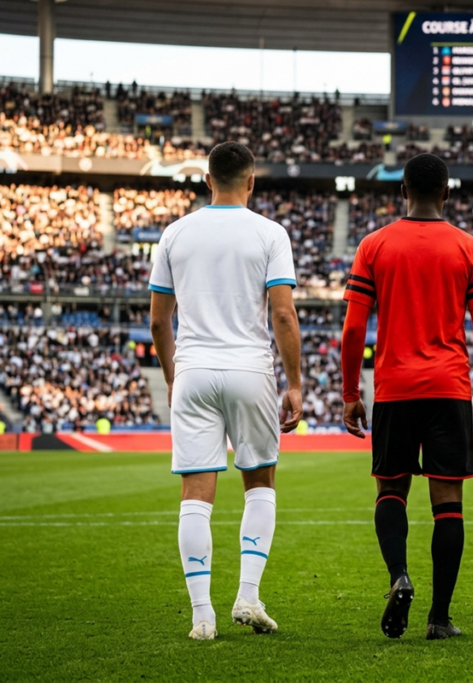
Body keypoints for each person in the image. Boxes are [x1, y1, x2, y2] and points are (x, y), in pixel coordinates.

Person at [340, 153, 473, 641]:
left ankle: (398, 576)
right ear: (447, 194)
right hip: (449, 387)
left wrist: (351, 391)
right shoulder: (469, 248)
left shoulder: (375, 245)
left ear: (403, 193)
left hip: (393, 388)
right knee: (447, 501)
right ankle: (440, 618)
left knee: (390, 490)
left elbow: (352, 329)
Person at [149, 141, 303, 641]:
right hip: (249, 369)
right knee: (259, 483)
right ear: (252, 181)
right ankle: (248, 597)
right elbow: (282, 314)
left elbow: (158, 320)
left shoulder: (175, 233)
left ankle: (201, 616)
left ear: (207, 180)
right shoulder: (269, 233)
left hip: (193, 370)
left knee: (195, 495)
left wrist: (174, 377)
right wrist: (295, 383)